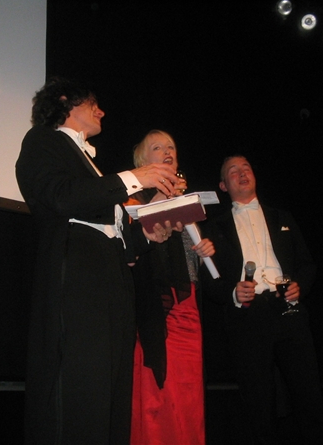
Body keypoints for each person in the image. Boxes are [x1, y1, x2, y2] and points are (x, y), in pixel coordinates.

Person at [15, 77, 182, 445]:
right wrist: (134, 177)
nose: (101, 111)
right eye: (93, 103)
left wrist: (148, 235)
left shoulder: (92, 165)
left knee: (112, 393)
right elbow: (60, 196)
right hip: (79, 278)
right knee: (82, 389)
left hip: (112, 280)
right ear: (64, 101)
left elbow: (115, 235)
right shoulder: (43, 140)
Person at [202, 155, 323, 444]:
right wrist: (232, 292)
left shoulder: (282, 217)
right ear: (223, 186)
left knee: (309, 394)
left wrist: (300, 286)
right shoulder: (213, 228)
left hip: (288, 309)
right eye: (233, 171)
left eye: (246, 168)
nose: (242, 173)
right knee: (258, 401)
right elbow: (208, 281)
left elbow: (307, 264)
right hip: (247, 316)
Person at [127, 130, 215, 445]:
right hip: (157, 313)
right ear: (143, 161)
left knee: (189, 396)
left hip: (189, 312)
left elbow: (189, 268)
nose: (167, 151)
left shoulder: (187, 203)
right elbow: (130, 258)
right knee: (158, 396)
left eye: (171, 147)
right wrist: (157, 204)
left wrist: (204, 253)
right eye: (157, 147)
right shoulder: (132, 203)